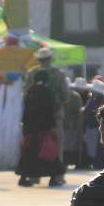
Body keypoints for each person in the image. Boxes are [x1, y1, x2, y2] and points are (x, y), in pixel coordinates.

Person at [25, 48, 70, 186]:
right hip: (55, 115)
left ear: (39, 59)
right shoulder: (59, 74)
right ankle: (57, 175)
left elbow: (26, 93)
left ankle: (35, 175)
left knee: (36, 144)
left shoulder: (32, 73)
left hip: (36, 116)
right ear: (51, 58)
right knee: (57, 144)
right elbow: (66, 96)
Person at [16, 70, 66, 187]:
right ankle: (53, 178)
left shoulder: (30, 92)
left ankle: (23, 178)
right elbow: (49, 111)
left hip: (31, 129)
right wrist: (52, 126)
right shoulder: (47, 91)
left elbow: (26, 112)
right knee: (48, 153)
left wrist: (25, 128)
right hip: (44, 129)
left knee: (29, 154)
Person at [83, 79, 104, 170]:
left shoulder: (103, 100)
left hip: (98, 127)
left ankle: (98, 163)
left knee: (99, 148)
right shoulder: (92, 99)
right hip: (91, 126)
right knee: (92, 148)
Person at [63, 80, 85, 168]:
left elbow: (78, 112)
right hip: (71, 124)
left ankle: (67, 162)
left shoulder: (74, 96)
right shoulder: (76, 95)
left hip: (70, 124)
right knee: (72, 144)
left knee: (68, 144)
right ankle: (71, 161)